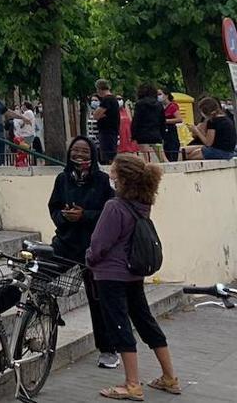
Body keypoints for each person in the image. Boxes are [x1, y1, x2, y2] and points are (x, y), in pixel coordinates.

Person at [86, 155, 181, 399]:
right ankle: (170, 377)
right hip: (133, 273)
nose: (111, 175)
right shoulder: (141, 205)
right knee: (145, 320)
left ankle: (132, 384)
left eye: (115, 171)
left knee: (119, 326)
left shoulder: (114, 207)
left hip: (111, 274)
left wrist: (90, 258)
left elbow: (99, 244)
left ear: (123, 178)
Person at [47, 136, 118, 369]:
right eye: (75, 151)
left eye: (84, 152)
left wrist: (84, 215)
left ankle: (108, 349)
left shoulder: (102, 181)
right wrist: (64, 217)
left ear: (93, 155)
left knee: (98, 300)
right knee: (38, 276)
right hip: (65, 245)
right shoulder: (62, 179)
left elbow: (110, 213)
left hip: (93, 250)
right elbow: (54, 207)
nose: (79, 156)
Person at [130, 83, 166, 163]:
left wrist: (133, 135)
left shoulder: (139, 104)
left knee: (146, 159)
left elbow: (136, 120)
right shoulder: (159, 104)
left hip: (142, 135)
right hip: (156, 134)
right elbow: (162, 121)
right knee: (162, 158)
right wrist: (162, 135)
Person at [159, 89, 183, 163]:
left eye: (160, 94)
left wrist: (165, 121)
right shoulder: (160, 107)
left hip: (171, 130)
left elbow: (179, 119)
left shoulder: (173, 106)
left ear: (166, 95)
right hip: (163, 131)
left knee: (172, 150)